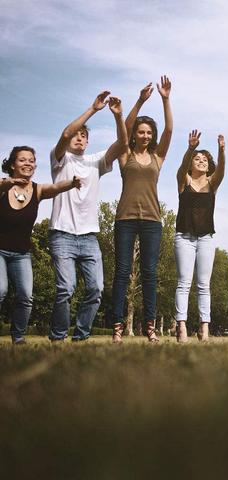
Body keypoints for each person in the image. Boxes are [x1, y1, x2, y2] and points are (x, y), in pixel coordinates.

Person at [48, 92, 127, 342]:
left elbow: (122, 145)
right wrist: (93, 109)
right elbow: (64, 135)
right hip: (62, 233)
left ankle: (80, 337)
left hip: (89, 237)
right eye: (76, 135)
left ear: (88, 142)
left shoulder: (95, 162)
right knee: (66, 288)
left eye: (84, 135)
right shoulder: (60, 159)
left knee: (96, 288)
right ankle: (58, 337)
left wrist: (118, 116)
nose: (79, 137)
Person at [111, 76, 173, 343]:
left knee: (150, 274)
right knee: (122, 273)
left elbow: (170, 130)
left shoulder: (158, 157)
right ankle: (117, 327)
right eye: (141, 131)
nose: (145, 135)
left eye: (149, 132)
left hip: (152, 220)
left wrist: (165, 99)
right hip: (125, 219)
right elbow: (123, 128)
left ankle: (149, 326)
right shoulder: (126, 154)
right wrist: (139, 101)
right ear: (135, 134)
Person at [0, 147, 80, 344]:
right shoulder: (3, 186)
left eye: (31, 160)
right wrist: (8, 182)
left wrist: (72, 183)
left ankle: (18, 338)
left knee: (26, 296)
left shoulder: (37, 190)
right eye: (22, 160)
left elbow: (55, 188)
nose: (28, 163)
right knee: (0, 290)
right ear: (12, 164)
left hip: (21, 254)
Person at [174, 130, 225, 343]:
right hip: (184, 237)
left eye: (205, 159)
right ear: (190, 163)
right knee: (184, 283)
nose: (201, 161)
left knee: (204, 284)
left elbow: (221, 171)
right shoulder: (183, 180)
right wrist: (190, 149)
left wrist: (222, 151)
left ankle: (204, 328)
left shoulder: (212, 184)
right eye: (197, 159)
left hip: (206, 238)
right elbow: (181, 168)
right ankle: (181, 327)